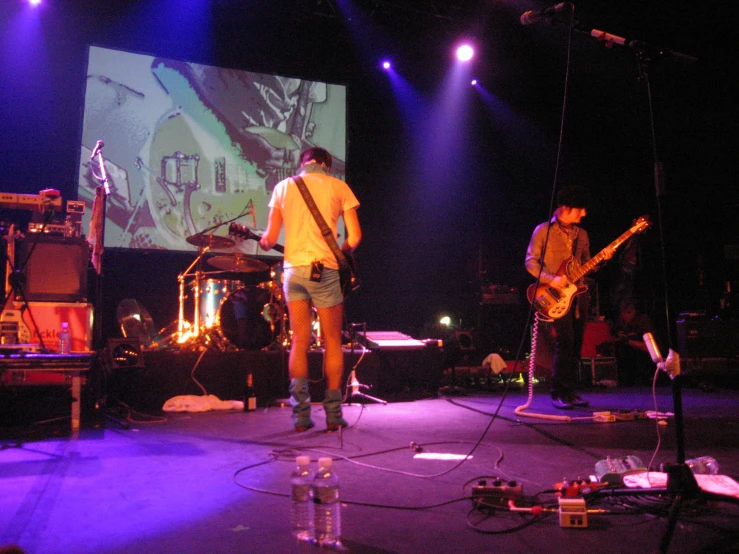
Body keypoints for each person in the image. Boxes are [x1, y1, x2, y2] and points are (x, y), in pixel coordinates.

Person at [259, 147, 361, 431]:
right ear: (327, 165)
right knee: (331, 341)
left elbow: (268, 239)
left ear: (302, 163)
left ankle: (301, 416)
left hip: (293, 272)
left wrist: (264, 242)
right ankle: (333, 414)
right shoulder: (339, 187)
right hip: (324, 271)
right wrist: (340, 252)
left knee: (299, 341)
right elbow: (355, 236)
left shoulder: (282, 187)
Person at [525, 186, 613, 409]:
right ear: (565, 207)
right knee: (565, 342)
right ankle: (558, 392)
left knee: (577, 345)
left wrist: (601, 260)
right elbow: (530, 262)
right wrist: (551, 279)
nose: (583, 214)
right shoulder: (543, 231)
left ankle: (570, 392)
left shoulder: (581, 234)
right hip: (555, 295)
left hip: (579, 295)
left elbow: (586, 265)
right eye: (579, 209)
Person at [611, 296, 655, 385]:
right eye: (623, 312)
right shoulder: (620, 323)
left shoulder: (643, 321)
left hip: (645, 362)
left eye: (629, 312)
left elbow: (650, 348)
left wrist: (628, 341)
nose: (625, 316)